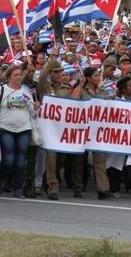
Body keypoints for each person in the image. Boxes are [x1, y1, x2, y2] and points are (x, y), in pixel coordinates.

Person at [0, 65, 39, 199]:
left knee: (21, 160)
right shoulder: (1, 90)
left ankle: (18, 188)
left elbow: (33, 113)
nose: (19, 77)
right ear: (9, 77)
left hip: (24, 128)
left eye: (20, 74)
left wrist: (36, 108)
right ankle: (0, 178)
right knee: (8, 159)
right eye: (15, 75)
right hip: (5, 128)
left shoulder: (26, 92)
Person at [38, 56, 83, 200]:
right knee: (51, 157)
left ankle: (47, 177)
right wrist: (49, 63)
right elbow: (42, 78)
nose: (58, 75)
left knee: (61, 159)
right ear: (50, 73)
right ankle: (53, 187)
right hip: (48, 129)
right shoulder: (45, 87)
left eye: (60, 72)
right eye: (55, 72)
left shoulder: (65, 89)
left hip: (62, 130)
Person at [71, 67, 112, 200]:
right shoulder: (81, 90)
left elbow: (109, 105)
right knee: (79, 160)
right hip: (82, 129)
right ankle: (77, 187)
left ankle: (103, 189)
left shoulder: (101, 91)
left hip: (97, 130)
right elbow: (74, 100)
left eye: (99, 75)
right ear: (88, 78)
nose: (98, 77)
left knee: (99, 160)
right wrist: (81, 84)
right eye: (95, 76)